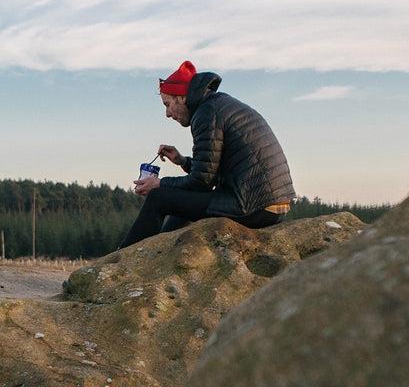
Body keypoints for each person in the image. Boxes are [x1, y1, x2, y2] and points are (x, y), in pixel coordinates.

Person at [119, 60, 296, 248]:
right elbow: (210, 172)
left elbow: (201, 183)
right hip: (272, 204)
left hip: (254, 206)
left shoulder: (206, 113)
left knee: (158, 197)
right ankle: (161, 251)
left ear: (182, 97)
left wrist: (159, 184)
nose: (168, 114)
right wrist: (182, 161)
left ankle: (122, 259)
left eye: (168, 104)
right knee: (178, 203)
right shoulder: (217, 104)